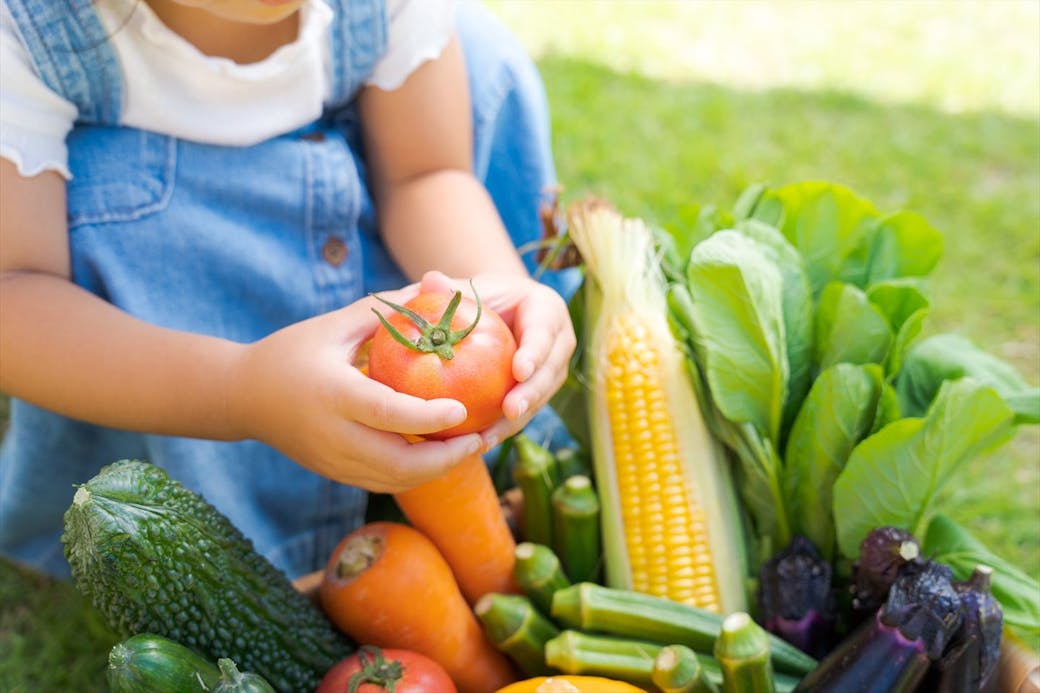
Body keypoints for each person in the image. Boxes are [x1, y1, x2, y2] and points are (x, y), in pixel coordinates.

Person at [0, 0, 578, 580]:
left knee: (481, 54)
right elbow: (14, 292)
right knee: (115, 191)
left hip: (367, 255)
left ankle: (517, 464)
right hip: (162, 369)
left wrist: (495, 296)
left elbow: (425, 175)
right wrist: (240, 391)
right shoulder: (26, 31)